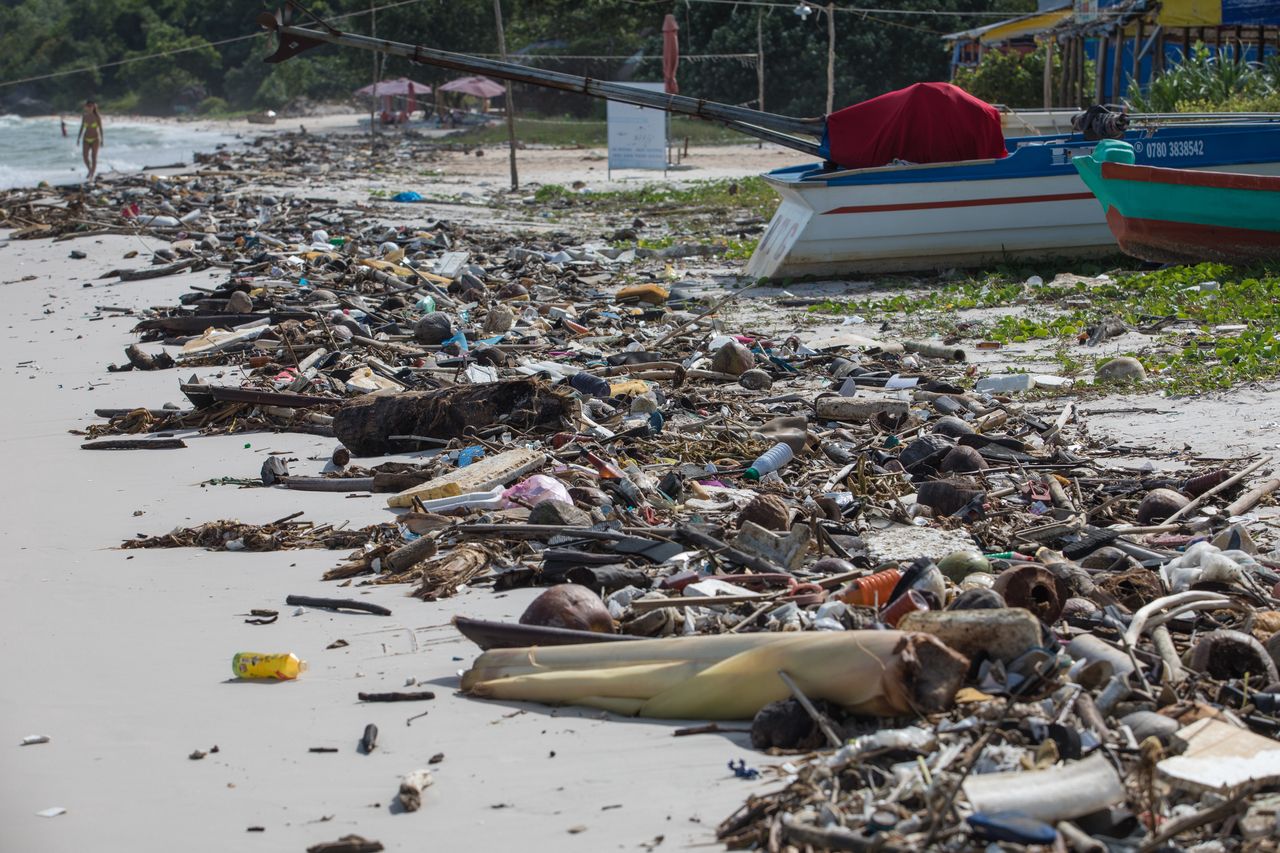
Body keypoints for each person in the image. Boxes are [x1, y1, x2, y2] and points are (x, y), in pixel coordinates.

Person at [76, 99, 104, 181]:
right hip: (86, 139)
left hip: (95, 139)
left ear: (94, 107)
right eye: (88, 106)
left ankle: (91, 175)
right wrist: (78, 138)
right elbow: (81, 127)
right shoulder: (84, 116)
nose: (89, 108)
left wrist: (102, 139)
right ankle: (90, 169)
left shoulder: (97, 117)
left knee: (94, 157)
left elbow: (101, 128)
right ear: (86, 107)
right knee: (85, 157)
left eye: (91, 106)